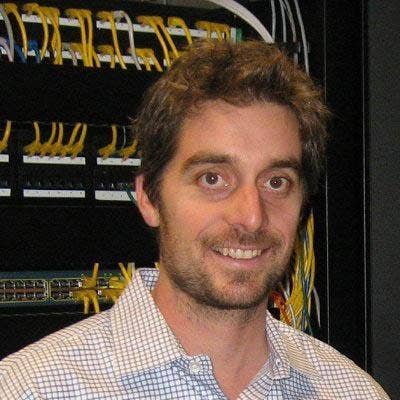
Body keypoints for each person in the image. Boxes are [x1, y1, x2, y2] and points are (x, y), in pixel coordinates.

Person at [0, 40, 389, 400]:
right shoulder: (29, 389)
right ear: (149, 197)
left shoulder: (351, 392)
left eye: (276, 182)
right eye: (213, 179)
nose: (252, 217)